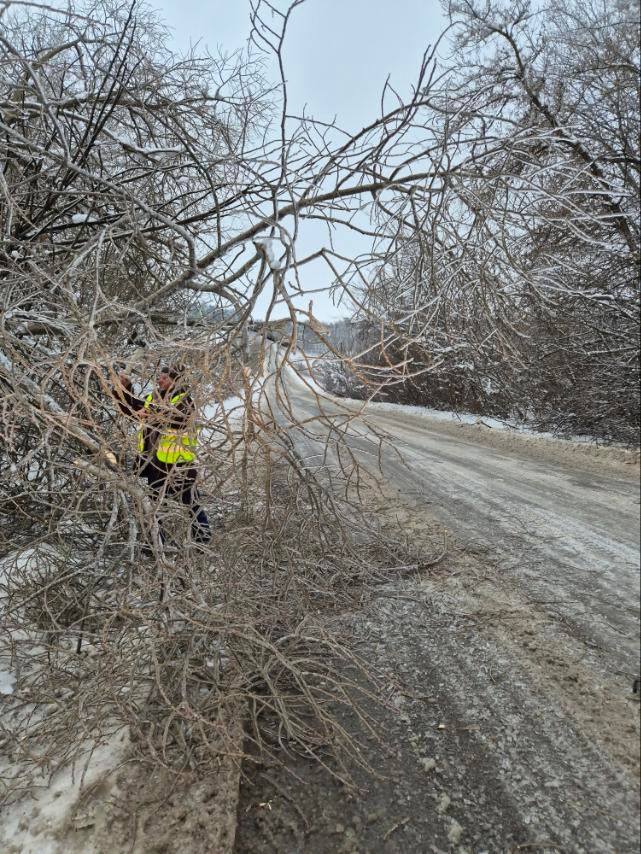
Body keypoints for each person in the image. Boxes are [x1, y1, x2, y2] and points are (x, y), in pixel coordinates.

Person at [114, 364, 211, 546]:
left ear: (176, 381)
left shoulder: (185, 400)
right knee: (153, 507)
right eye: (159, 377)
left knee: (192, 505)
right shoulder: (154, 397)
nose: (159, 380)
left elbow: (175, 417)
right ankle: (155, 544)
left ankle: (202, 542)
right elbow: (131, 407)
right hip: (155, 465)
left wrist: (148, 413)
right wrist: (124, 387)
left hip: (179, 467)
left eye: (164, 378)